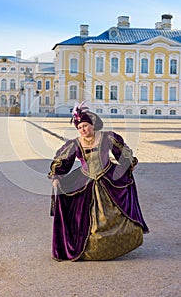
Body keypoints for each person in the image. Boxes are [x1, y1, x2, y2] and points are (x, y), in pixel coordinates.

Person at [48, 102, 149, 261]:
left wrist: (127, 164)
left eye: (86, 126)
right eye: (80, 127)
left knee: (112, 213)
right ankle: (88, 248)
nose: (83, 130)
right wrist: (56, 176)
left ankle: (119, 242)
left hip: (107, 178)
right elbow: (62, 161)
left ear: (93, 124)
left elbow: (122, 153)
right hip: (84, 179)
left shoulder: (107, 137)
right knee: (82, 215)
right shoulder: (74, 144)